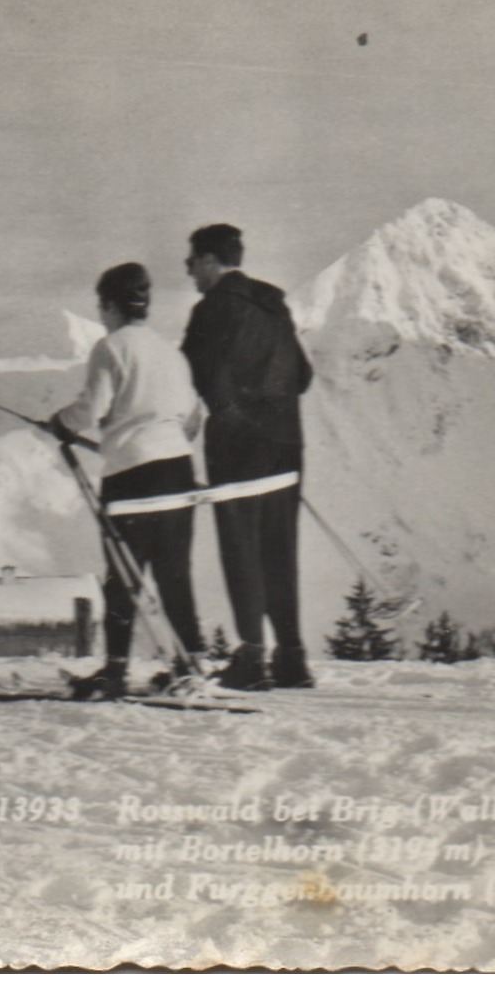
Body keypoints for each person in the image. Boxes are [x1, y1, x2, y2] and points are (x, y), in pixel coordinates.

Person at [48, 262, 205, 700]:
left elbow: (91, 410)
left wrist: (62, 424)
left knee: (123, 577)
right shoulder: (170, 352)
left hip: (131, 476)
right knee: (176, 575)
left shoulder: (110, 347)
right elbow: (192, 416)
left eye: (102, 306)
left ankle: (115, 672)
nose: (101, 315)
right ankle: (189, 663)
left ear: (112, 305)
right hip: (178, 470)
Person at [180, 224, 315, 690]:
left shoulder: (211, 310)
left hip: (237, 447)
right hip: (287, 442)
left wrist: (229, 411)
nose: (190, 274)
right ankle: (292, 657)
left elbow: (192, 376)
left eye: (191, 263)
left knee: (243, 550)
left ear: (210, 261)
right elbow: (303, 376)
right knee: (281, 550)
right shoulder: (274, 305)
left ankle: (252, 658)